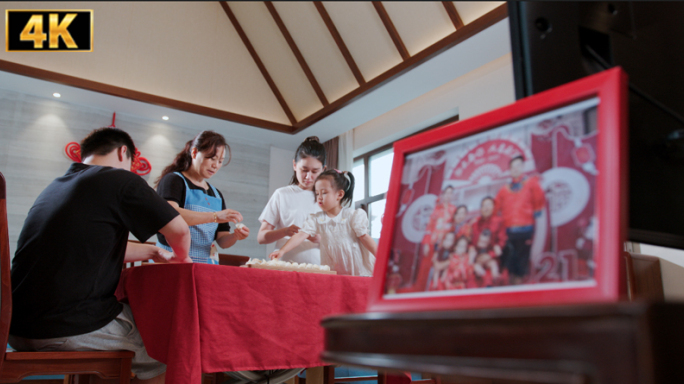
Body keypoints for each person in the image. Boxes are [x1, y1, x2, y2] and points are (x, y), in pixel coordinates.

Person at [9, 127, 191, 384]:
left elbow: (88, 247)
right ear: (123, 152)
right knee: (167, 348)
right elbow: (180, 230)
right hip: (67, 327)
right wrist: (183, 261)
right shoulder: (119, 178)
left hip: (16, 326)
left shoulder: (58, 186)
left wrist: (154, 251)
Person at [155, 131, 249, 264]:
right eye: (211, 158)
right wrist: (215, 216)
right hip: (172, 261)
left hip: (206, 264)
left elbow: (222, 240)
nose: (215, 165)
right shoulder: (174, 180)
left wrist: (235, 236)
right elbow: (170, 215)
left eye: (220, 161)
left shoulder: (216, 194)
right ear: (194, 153)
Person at [269, 170, 376, 276]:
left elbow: (365, 238)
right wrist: (282, 251)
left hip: (357, 271)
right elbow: (301, 234)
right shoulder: (317, 219)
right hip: (335, 272)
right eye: (317, 193)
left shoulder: (352, 216)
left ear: (339, 194)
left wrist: (383, 258)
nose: (319, 197)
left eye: (324, 193)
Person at [258, 136, 325, 264]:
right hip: (284, 267)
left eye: (315, 171)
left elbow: (341, 240)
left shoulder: (327, 199)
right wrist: (285, 231)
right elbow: (261, 238)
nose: (308, 176)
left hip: (318, 269)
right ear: (294, 165)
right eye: (304, 170)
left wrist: (321, 239)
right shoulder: (282, 195)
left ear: (323, 169)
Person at [494, 155, 546, 285]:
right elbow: (495, 208)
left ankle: (517, 291)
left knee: (521, 265)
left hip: (525, 230)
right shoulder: (504, 189)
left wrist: (536, 212)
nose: (515, 169)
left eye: (518, 165)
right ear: (510, 170)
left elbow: (539, 200)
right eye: (513, 167)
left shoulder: (531, 183)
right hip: (508, 232)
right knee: (508, 264)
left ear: (522, 167)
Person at [468, 196, 506, 269]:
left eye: (489, 205)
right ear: (481, 209)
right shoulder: (475, 223)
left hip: (492, 257)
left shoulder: (499, 221)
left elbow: (501, 242)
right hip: (476, 257)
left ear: (493, 207)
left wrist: (490, 255)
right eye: (484, 205)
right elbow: (470, 241)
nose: (486, 208)